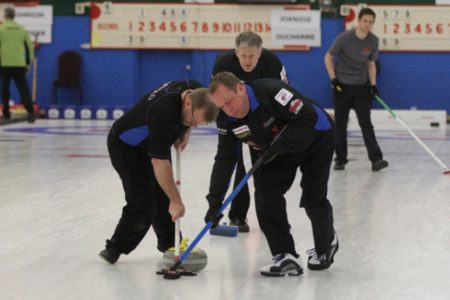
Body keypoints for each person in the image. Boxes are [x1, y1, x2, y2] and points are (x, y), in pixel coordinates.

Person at [205, 72, 338, 276]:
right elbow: (225, 159)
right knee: (265, 194)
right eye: (221, 106)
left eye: (229, 101)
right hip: (278, 149)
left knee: (313, 197)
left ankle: (326, 244)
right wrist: (214, 202)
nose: (228, 110)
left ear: (240, 88)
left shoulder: (272, 91)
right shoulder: (227, 119)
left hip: (316, 136)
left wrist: (276, 147)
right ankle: (285, 255)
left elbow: (307, 117)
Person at [99, 80, 218, 264]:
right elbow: (159, 161)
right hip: (127, 147)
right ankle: (114, 247)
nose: (194, 125)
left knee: (164, 197)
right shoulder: (164, 112)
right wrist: (176, 200)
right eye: (194, 120)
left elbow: (191, 114)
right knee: (144, 203)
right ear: (188, 103)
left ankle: (171, 245)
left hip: (153, 142)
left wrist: (186, 129)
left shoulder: (193, 88)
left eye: (198, 123)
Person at [209, 31, 288, 232]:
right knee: (230, 159)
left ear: (260, 53)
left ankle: (271, 217)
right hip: (230, 114)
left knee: (263, 166)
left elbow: (282, 97)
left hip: (262, 117)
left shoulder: (272, 64)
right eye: (243, 55)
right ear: (236, 53)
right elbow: (218, 99)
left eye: (252, 56)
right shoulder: (223, 64)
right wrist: (214, 203)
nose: (247, 60)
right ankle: (233, 214)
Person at [324, 7, 388, 171]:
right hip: (342, 87)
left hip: (361, 87)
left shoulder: (373, 40)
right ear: (359, 21)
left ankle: (376, 160)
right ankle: (340, 159)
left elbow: (371, 64)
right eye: (365, 21)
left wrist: (373, 85)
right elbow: (328, 57)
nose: (367, 24)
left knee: (366, 124)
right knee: (340, 125)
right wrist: (333, 79)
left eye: (371, 22)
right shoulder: (345, 37)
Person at [0, 7, 35, 123]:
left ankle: (6, 113)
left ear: (5, 16)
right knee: (23, 89)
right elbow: (30, 47)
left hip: (4, 64)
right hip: (19, 64)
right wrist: (28, 62)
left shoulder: (1, 29)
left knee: (4, 89)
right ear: (14, 16)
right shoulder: (22, 29)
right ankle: (31, 113)